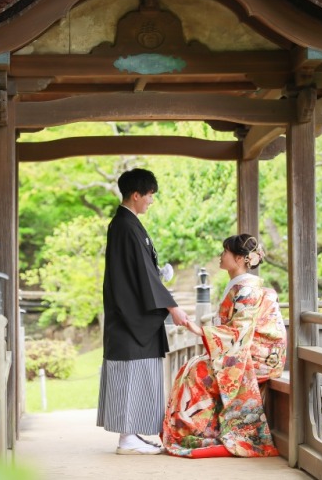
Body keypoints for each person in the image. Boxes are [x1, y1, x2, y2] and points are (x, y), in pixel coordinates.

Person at [161, 234, 287, 458]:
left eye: (225, 252)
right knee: (193, 366)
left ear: (239, 259)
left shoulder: (248, 289)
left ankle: (200, 432)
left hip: (258, 354)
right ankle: (197, 430)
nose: (221, 255)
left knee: (199, 371)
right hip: (243, 348)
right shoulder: (240, 285)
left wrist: (201, 331)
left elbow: (239, 330)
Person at [97, 168, 190, 455]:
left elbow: (143, 271)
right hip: (131, 318)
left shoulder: (126, 224)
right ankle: (127, 438)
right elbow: (141, 275)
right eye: (149, 195)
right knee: (131, 376)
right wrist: (172, 307)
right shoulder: (125, 226)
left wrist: (158, 273)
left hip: (131, 314)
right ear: (135, 195)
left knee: (134, 377)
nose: (151, 200)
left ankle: (131, 434)